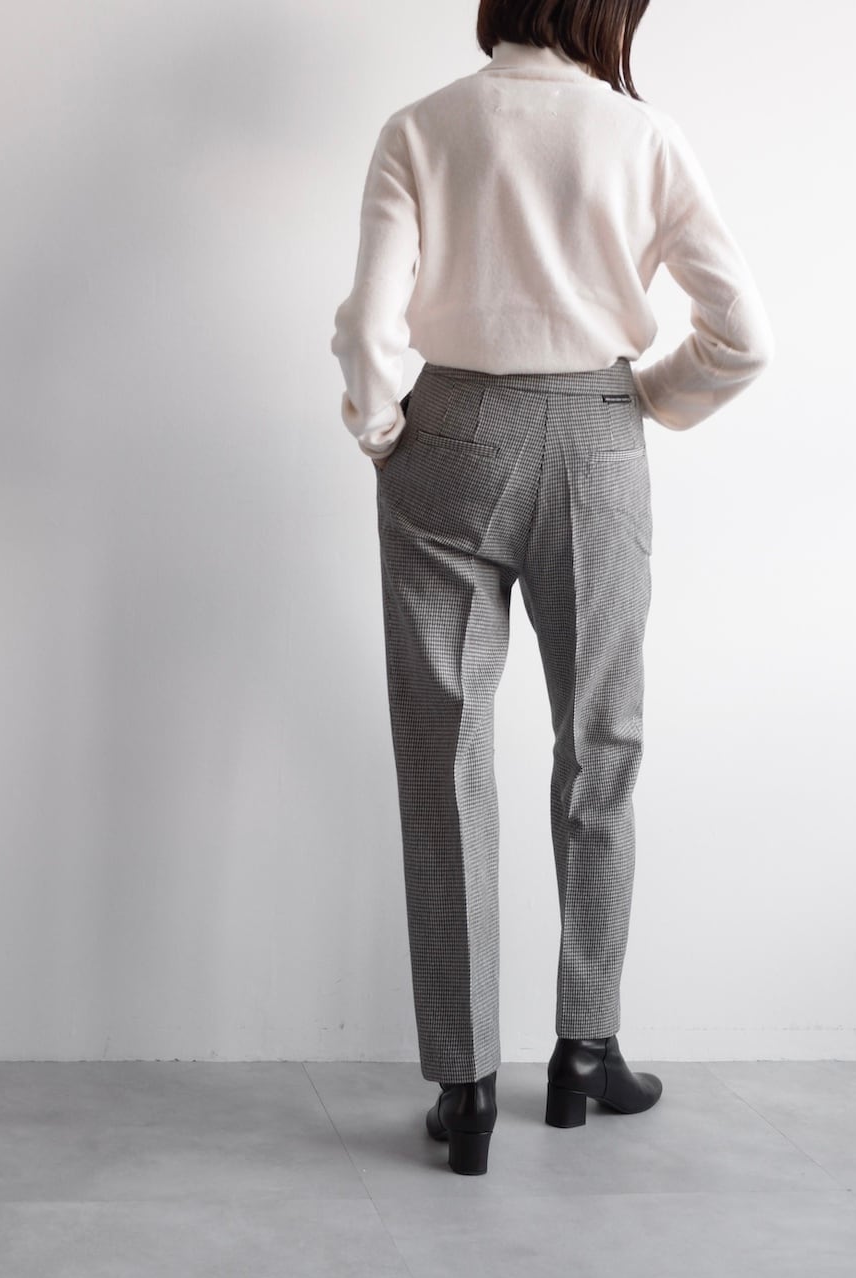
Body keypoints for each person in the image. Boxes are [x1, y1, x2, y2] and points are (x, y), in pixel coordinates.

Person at [330, 0, 774, 1176]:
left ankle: (465, 1083)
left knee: (445, 747)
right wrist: (644, 399)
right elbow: (742, 334)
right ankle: (585, 1049)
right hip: (596, 432)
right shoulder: (642, 136)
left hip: (448, 433)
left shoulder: (420, 126)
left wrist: (385, 432)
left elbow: (370, 323)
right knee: (600, 742)